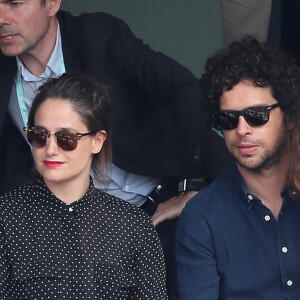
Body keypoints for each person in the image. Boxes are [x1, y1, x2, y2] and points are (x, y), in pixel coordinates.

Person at [0, 73, 167, 299]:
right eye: (40, 136)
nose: (50, 149)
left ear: (97, 141)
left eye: (66, 138)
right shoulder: (6, 218)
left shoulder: (134, 227)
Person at [175, 36, 300, 299]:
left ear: (288, 117)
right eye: (229, 119)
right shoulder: (202, 217)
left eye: (257, 115)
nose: (241, 130)